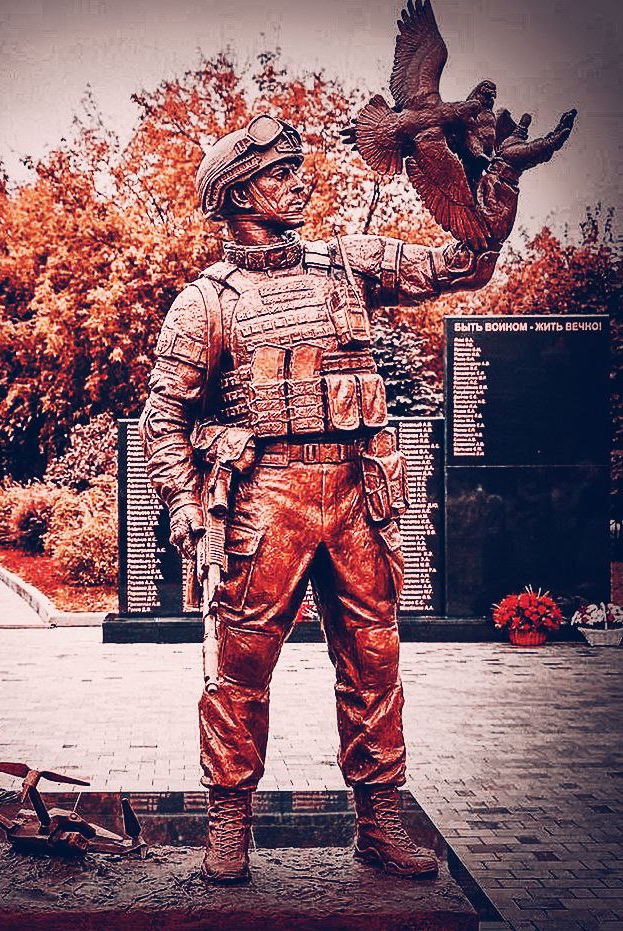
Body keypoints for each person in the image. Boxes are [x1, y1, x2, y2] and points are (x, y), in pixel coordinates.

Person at [138, 110, 572, 884]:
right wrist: (180, 500)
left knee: (374, 661)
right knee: (239, 669)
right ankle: (229, 823)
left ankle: (378, 822)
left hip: (354, 493)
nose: (298, 183)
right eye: (278, 173)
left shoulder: (348, 262)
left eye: (296, 169)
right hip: (264, 500)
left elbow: (465, 264)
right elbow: (162, 417)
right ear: (237, 193)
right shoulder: (205, 302)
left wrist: (497, 179)